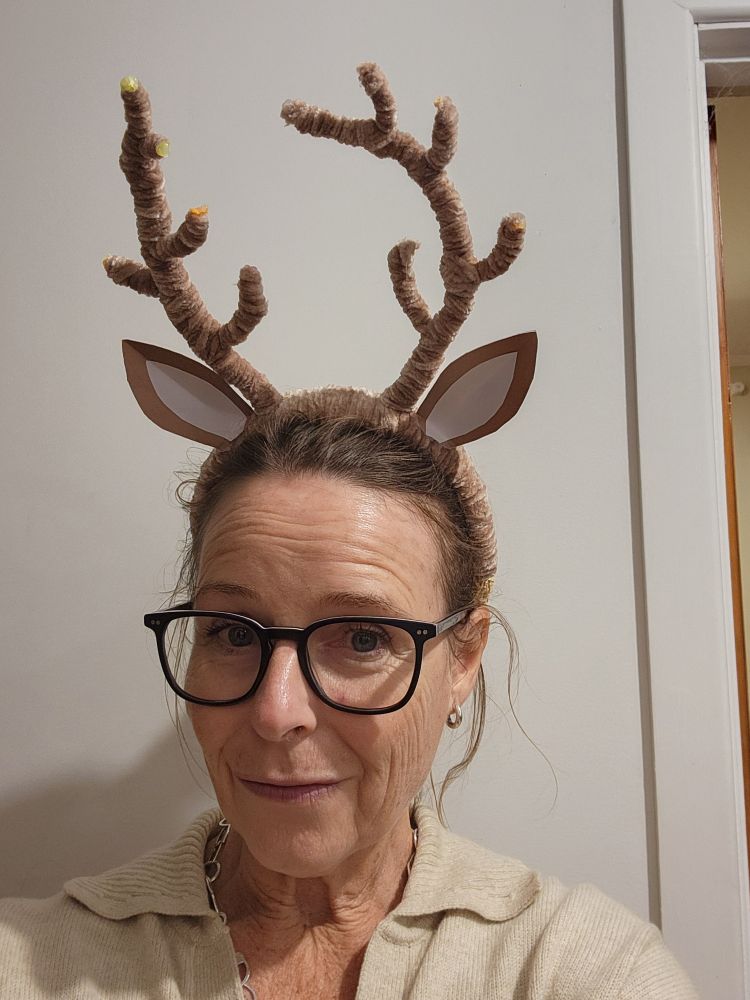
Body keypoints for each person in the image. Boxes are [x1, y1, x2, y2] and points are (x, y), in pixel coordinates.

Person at [0, 65, 698, 999]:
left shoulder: (578, 969)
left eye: (364, 636)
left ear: (463, 659)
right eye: (233, 633)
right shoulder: (35, 965)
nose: (275, 710)